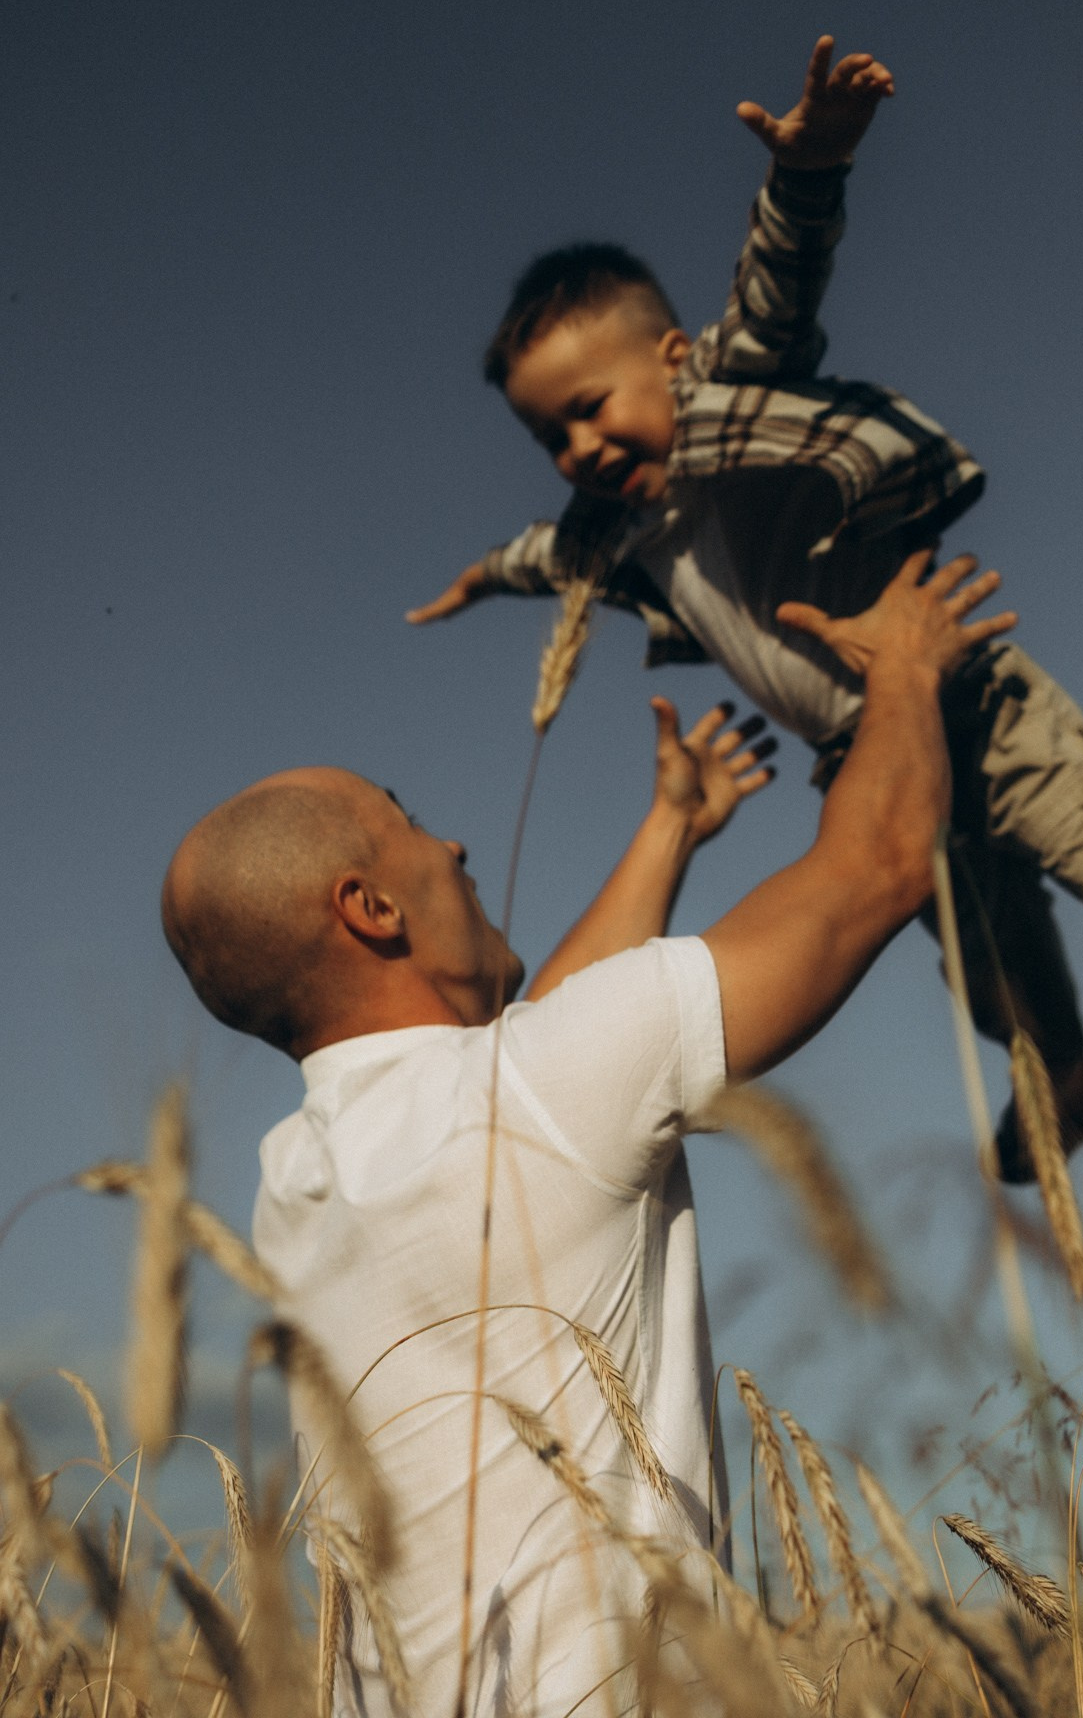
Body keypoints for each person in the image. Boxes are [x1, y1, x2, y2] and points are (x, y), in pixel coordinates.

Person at [407, 35, 1083, 1184]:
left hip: (979, 720)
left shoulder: (731, 392)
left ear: (672, 359)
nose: (576, 447)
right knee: (991, 966)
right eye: (547, 436)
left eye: (587, 406)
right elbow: (543, 557)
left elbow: (778, 294)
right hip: (878, 767)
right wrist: (479, 580)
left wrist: (808, 171)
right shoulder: (614, 533)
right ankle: (1068, 1081)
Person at [162, 553, 1011, 1718]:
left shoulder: (293, 1182)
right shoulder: (536, 1091)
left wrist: (668, 830)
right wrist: (906, 668)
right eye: (409, 827)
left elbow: (546, 1058)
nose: (454, 847)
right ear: (370, 908)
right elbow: (870, 868)